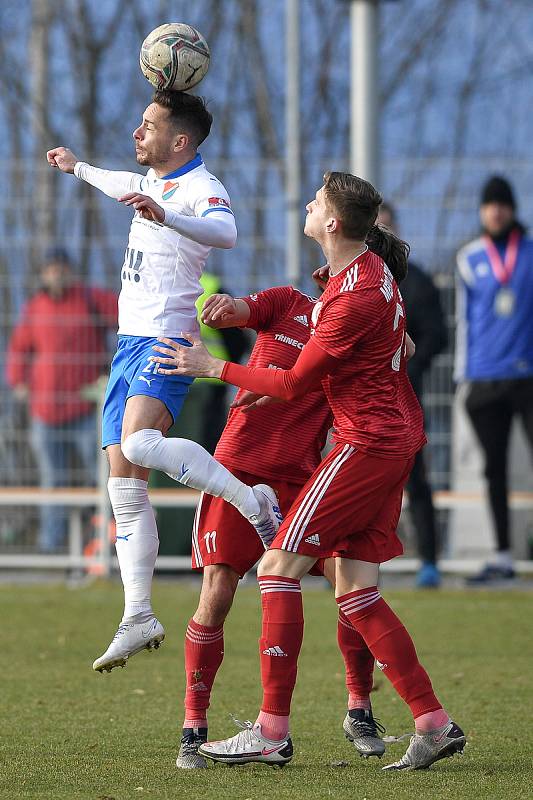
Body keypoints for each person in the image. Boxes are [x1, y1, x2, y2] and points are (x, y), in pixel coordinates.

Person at [152, 172, 466, 771]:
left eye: (316, 202)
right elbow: (335, 358)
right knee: (354, 585)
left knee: (277, 568)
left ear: (332, 224)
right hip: (394, 443)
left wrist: (211, 368)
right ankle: (431, 721)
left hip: (365, 443)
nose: (306, 205)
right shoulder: (364, 280)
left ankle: (272, 730)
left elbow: (298, 381)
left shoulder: (350, 296)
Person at [46, 90, 281, 672]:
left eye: (148, 125)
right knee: (123, 489)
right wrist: (77, 168)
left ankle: (251, 500)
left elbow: (224, 232)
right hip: (128, 345)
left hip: (166, 341)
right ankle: (138, 614)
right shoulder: (151, 181)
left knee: (139, 445)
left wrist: (165, 215)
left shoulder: (203, 188)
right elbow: (120, 181)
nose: (136, 132)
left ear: (180, 140)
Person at [175, 284, 392, 768]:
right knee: (218, 590)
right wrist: (225, 308)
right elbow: (240, 311)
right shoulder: (289, 301)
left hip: (302, 477)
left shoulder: (357, 325)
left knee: (348, 581)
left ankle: (359, 706)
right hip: (238, 468)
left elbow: (396, 355)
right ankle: (194, 724)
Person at [5, 248, 117, 551]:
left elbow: (127, 320)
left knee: (103, 475)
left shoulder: (90, 300)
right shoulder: (35, 308)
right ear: (44, 274)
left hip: (86, 409)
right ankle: (50, 543)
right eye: (51, 268)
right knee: (51, 478)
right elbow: (19, 348)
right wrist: (18, 380)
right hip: (45, 409)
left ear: (70, 270)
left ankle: (106, 541)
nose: (57, 274)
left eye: (61, 268)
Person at [456, 176, 533, 585]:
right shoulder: (469, 257)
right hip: (484, 378)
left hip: (527, 377)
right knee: (494, 470)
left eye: (503, 204)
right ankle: (503, 553)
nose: (496, 211)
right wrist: (461, 376)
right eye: (490, 204)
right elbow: (465, 321)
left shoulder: (530, 251)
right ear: (483, 211)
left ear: (513, 208)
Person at [377, 203, 447, 588]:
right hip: (358, 404)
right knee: (351, 481)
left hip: (406, 399)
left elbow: (438, 335)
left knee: (415, 478)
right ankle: (340, 557)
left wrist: (410, 363)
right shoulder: (346, 284)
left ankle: (430, 561)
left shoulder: (417, 284)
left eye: (385, 228)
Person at [194, 272, 248, 454]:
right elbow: (237, 340)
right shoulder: (209, 287)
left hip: (166, 375)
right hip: (211, 375)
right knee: (208, 440)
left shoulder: (153, 283)